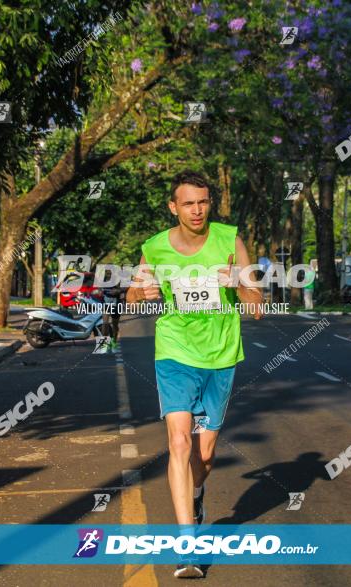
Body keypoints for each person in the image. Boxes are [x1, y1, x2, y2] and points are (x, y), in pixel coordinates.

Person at [126, 170, 263, 579]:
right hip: (174, 353)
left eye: (202, 202)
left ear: (210, 203)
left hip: (221, 356)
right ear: (174, 207)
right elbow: (133, 294)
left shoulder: (229, 239)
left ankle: (198, 491)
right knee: (179, 443)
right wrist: (140, 292)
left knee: (203, 456)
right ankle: (187, 544)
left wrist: (238, 283)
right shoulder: (154, 248)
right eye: (188, 203)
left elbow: (256, 304)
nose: (197, 209)